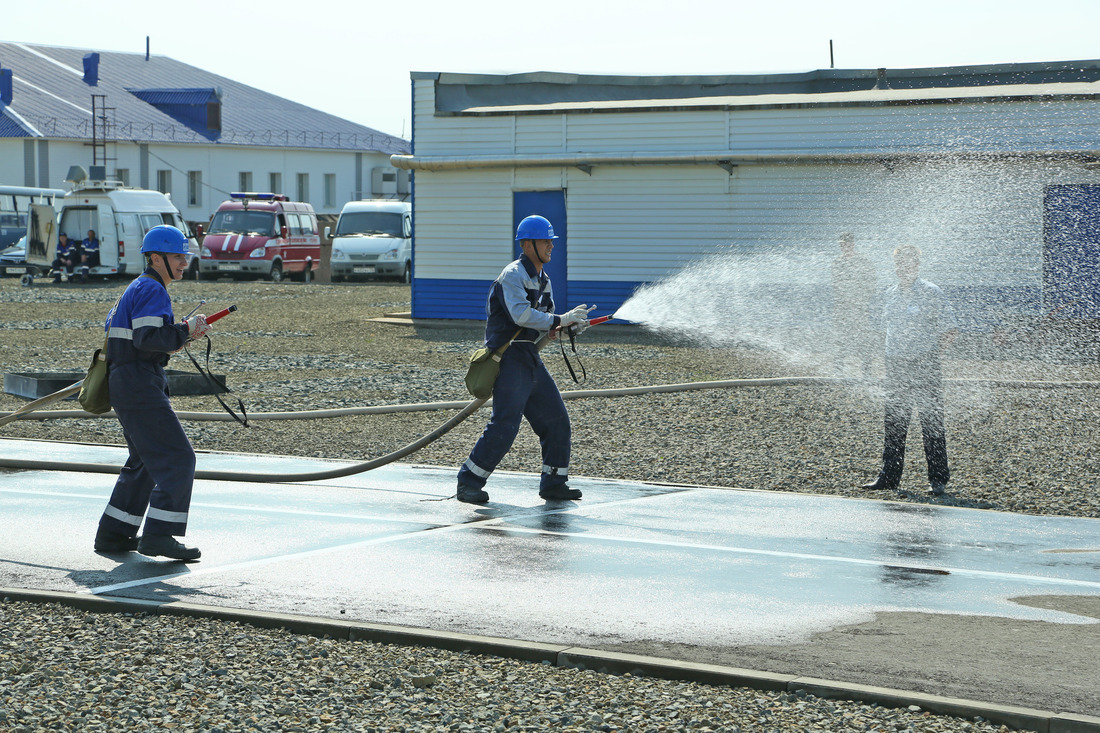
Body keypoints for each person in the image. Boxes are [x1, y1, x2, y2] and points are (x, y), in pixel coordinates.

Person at [93, 225, 211, 560]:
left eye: (184, 256)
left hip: (128, 382)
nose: (184, 263)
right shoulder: (152, 289)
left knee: (145, 460)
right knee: (178, 458)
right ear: (156, 258)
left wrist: (182, 333)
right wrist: (185, 330)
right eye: (177, 256)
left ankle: (114, 534)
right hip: (139, 384)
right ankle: (160, 535)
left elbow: (134, 336)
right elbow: (148, 340)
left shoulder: (136, 288)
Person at [456, 214, 592, 504]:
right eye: (546, 241)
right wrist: (560, 318)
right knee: (505, 424)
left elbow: (545, 324)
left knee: (557, 421)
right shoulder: (513, 275)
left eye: (551, 241)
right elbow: (522, 315)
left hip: (528, 357)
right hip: (508, 359)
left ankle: (554, 482)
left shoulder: (544, 280)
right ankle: (468, 480)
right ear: (527, 244)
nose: (551, 246)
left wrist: (565, 328)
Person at [862, 245, 958, 497]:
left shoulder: (931, 292)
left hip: (925, 363)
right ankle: (888, 478)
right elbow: (888, 331)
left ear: (917, 265)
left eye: (908, 263)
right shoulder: (890, 294)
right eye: (898, 264)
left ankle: (938, 480)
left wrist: (931, 357)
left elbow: (949, 329)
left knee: (931, 422)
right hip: (896, 365)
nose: (902, 268)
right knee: (894, 422)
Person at [830, 232, 877, 376]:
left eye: (847, 244)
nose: (845, 247)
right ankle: (838, 370)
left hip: (859, 307)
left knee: (863, 338)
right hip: (842, 307)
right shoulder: (837, 262)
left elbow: (871, 284)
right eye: (842, 244)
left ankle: (867, 371)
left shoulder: (864, 262)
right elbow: (836, 284)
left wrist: (861, 300)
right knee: (839, 337)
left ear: (853, 244)